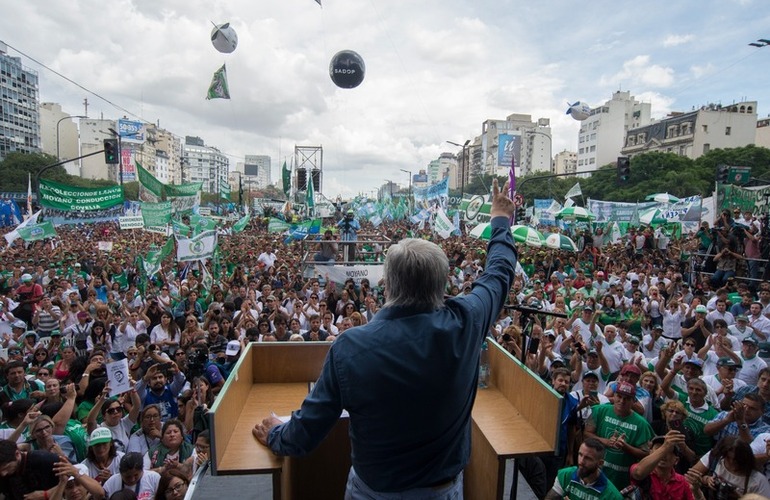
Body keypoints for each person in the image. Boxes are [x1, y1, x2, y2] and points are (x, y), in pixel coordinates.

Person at [252, 179, 517, 496]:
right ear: (442, 286)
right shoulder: (467, 322)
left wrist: (277, 434)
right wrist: (500, 218)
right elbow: (500, 271)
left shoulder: (350, 347)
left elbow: (306, 433)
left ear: (388, 285)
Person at [584, 381, 654, 490]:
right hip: (596, 473)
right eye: (619, 396)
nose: (622, 401)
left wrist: (625, 447)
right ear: (614, 396)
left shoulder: (642, 424)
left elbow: (646, 453)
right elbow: (586, 433)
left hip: (623, 479)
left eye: (627, 398)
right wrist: (604, 441)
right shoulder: (599, 410)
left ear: (633, 401)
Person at [544, 438, 622, 499]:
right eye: (580, 455)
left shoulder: (611, 495)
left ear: (600, 463)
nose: (581, 461)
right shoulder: (565, 475)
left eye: (588, 458)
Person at [629, 432, 693, 500]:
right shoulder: (642, 469)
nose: (663, 454)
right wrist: (665, 447)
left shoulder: (683, 482)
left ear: (676, 460)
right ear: (650, 452)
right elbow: (638, 473)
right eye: (658, 449)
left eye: (669, 451)